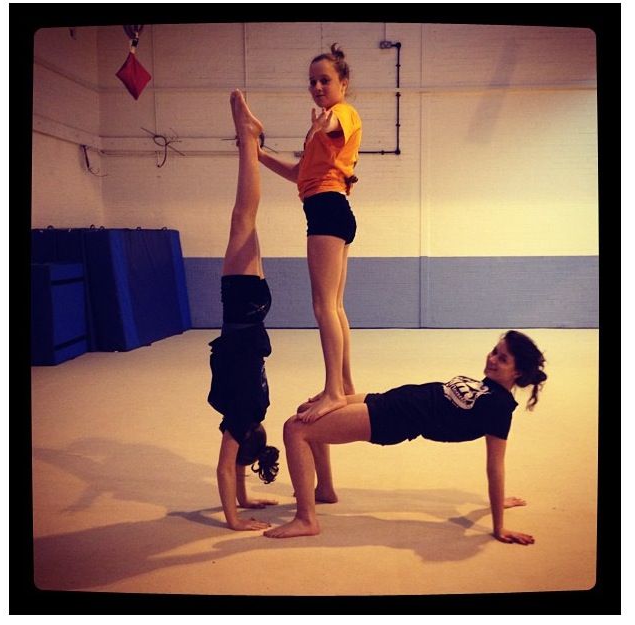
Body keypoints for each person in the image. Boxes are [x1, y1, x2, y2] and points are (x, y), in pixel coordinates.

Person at [263, 330, 547, 545]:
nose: (492, 359)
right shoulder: (488, 386)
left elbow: (495, 466)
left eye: (502, 358)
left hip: (394, 420)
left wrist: (499, 525)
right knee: (307, 409)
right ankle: (324, 489)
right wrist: (496, 501)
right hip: (391, 400)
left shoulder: (499, 408)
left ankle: (306, 519)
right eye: (494, 351)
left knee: (296, 428)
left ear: (518, 371)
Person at [258, 44, 362, 424]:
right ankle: (344, 383)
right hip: (330, 209)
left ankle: (335, 390)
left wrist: (325, 122)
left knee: (323, 307)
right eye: (313, 82)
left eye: (325, 80)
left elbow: (337, 124)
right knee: (333, 307)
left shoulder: (342, 114)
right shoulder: (318, 129)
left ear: (343, 83)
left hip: (327, 210)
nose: (317, 87)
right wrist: (259, 153)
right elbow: (299, 174)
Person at [207, 89, 279, 531]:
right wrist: (234, 521)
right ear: (242, 438)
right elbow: (223, 469)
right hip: (240, 309)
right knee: (244, 214)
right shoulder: (238, 416)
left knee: (249, 220)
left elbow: (233, 467)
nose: (231, 457)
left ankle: (248, 143)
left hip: (255, 312)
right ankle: (247, 139)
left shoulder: (255, 410)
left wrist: (247, 497)